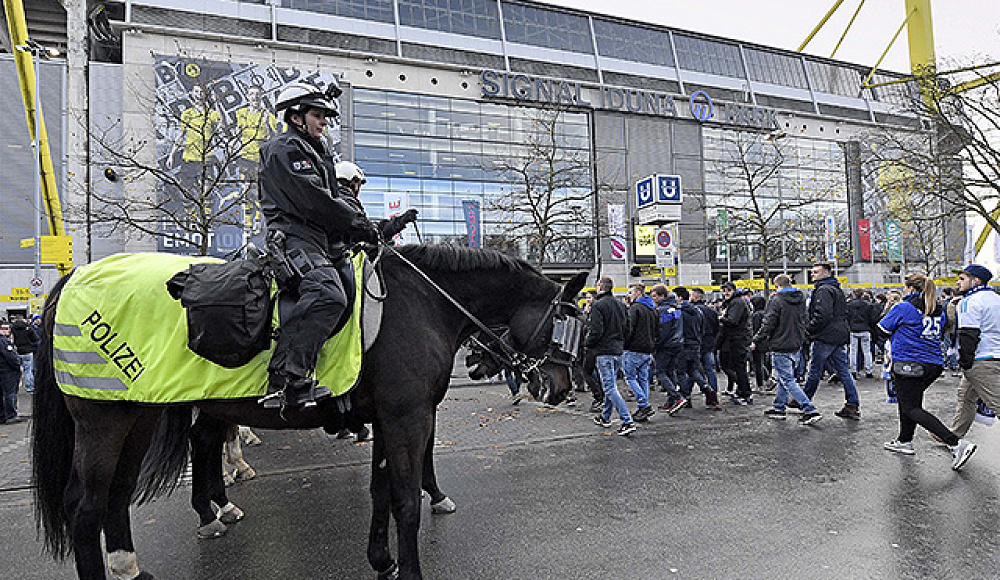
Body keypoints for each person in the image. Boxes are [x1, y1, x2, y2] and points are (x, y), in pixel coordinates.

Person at [258, 81, 381, 409]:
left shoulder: (318, 150)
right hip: (294, 239)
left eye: (327, 116)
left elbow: (334, 198)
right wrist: (356, 223)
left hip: (319, 241)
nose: (325, 122)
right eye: (318, 115)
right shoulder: (284, 149)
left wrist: (363, 229)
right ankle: (285, 380)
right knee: (328, 294)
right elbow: (315, 200)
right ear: (296, 117)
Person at [878, 273, 976, 470]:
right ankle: (904, 440)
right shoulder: (936, 310)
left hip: (909, 363)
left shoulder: (904, 307)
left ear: (911, 289)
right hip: (932, 363)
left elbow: (882, 330)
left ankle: (955, 443)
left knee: (911, 408)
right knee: (910, 403)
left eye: (905, 287)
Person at [752, 274, 821, 425]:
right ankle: (779, 407)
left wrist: (756, 340)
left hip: (780, 343)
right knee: (785, 378)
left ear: (776, 286)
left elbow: (768, 323)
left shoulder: (776, 300)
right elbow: (805, 319)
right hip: (796, 342)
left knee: (788, 379)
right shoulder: (800, 298)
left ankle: (809, 409)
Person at [801, 263, 861, 419]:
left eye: (816, 272)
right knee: (843, 370)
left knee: (815, 369)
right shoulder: (836, 289)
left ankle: (804, 401)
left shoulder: (823, 290)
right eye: (812, 272)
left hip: (825, 335)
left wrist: (809, 328)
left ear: (826, 272)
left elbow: (823, 315)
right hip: (839, 334)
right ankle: (852, 404)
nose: (812, 274)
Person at [948, 265, 1000, 442]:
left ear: (975, 281)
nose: (958, 282)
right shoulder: (995, 298)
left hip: (980, 360)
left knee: (997, 402)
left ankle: (953, 436)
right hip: (993, 356)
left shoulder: (969, 301)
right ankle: (953, 435)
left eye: (962, 279)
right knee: (965, 396)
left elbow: (969, 334)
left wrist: (965, 362)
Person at [587, 277, 636, 436]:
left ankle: (627, 421)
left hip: (604, 351)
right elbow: (628, 328)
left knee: (609, 387)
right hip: (617, 349)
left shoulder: (597, 306)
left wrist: (587, 343)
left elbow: (596, 331)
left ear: (600, 287)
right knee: (612, 385)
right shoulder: (621, 305)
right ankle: (605, 417)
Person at [674, 286, 717, 410]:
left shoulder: (680, 311)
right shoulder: (699, 312)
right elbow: (705, 329)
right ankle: (706, 387)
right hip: (697, 344)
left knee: (682, 372)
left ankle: (686, 397)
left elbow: (677, 328)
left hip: (684, 345)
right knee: (695, 370)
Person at [622, 284, 657, 422]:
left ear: (638, 293)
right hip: (648, 348)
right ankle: (643, 406)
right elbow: (657, 329)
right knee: (643, 379)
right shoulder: (652, 309)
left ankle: (644, 405)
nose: (629, 295)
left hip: (634, 348)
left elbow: (629, 328)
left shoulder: (635, 309)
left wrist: (625, 343)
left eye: (630, 292)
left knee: (630, 378)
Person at [650, 285, 686, 414]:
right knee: (671, 372)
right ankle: (671, 401)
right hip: (677, 343)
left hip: (666, 345)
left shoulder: (663, 310)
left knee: (660, 372)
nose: (653, 299)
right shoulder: (676, 308)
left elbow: (663, 331)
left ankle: (677, 396)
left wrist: (656, 344)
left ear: (662, 296)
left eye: (654, 296)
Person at [717, 282, 753, 405]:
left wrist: (721, 318)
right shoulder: (734, 302)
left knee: (738, 367)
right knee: (735, 366)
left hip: (738, 339)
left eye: (728, 290)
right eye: (724, 290)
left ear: (734, 291)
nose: (726, 292)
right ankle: (741, 390)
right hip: (736, 338)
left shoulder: (737, 302)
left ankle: (745, 392)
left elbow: (733, 320)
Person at [690, 287, 720, 393]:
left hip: (696, 344)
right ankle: (713, 393)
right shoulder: (711, 311)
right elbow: (717, 328)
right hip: (708, 343)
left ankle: (687, 395)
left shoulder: (692, 311)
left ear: (695, 297)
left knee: (692, 369)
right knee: (710, 370)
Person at [846, 290, 876, 378]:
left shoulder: (849, 305)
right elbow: (872, 318)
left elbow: (847, 317)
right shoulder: (868, 305)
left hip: (853, 329)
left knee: (853, 351)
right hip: (865, 329)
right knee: (867, 351)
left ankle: (853, 370)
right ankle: (869, 371)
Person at [0, 322, 23, 424]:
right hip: (7, 371)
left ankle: (3, 414)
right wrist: (17, 365)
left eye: (8, 328)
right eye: (4, 328)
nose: (7, 331)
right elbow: (10, 356)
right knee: (10, 393)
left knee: (3, 393)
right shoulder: (3, 341)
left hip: (3, 370)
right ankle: (11, 415)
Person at [10, 315, 37, 394]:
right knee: (28, 370)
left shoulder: (12, 328)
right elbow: (35, 339)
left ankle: (16, 387)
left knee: (16, 370)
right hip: (27, 351)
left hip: (16, 351)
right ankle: (30, 387)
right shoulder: (28, 328)